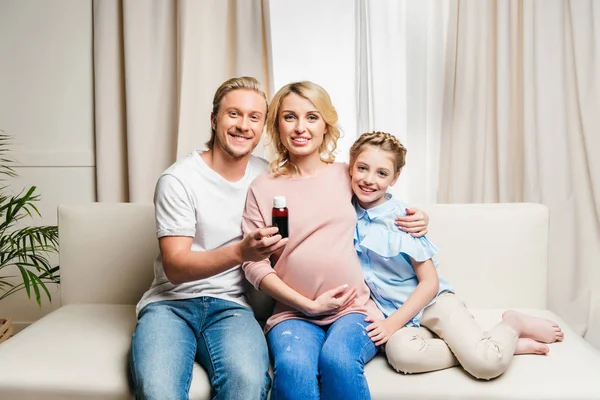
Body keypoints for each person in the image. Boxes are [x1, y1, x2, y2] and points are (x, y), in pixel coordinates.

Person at [241, 81, 429, 400]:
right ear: (277, 126)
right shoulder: (262, 187)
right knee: (293, 367)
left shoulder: (346, 174)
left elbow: (382, 204)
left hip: (354, 308)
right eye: (290, 117)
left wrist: (420, 217)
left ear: (326, 125)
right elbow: (252, 264)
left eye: (312, 117)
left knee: (338, 360)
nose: (301, 127)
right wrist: (308, 305)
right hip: (293, 313)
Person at [348, 131, 565, 380]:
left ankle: (512, 324)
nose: (369, 179)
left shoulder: (404, 219)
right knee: (401, 356)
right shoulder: (343, 210)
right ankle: (488, 347)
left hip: (431, 304)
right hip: (396, 314)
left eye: (382, 173)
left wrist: (391, 324)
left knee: (486, 366)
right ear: (350, 167)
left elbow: (430, 283)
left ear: (395, 178)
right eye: (362, 168)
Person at [129, 77, 290, 400]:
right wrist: (241, 252)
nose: (243, 125)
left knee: (248, 385)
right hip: (170, 304)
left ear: (262, 128)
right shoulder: (178, 180)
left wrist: (398, 212)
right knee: (157, 390)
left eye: (254, 117)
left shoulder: (268, 177)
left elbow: (334, 185)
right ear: (215, 119)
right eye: (234, 114)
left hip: (232, 306)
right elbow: (175, 267)